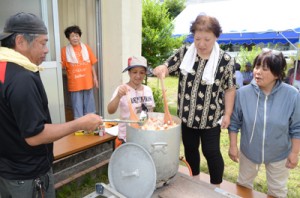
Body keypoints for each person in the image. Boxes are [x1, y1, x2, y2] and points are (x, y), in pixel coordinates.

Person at [0, 12, 102, 197]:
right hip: (29, 174)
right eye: (43, 43)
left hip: (7, 172)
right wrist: (80, 123)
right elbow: (35, 136)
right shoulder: (22, 78)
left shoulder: (4, 67)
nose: (47, 49)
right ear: (21, 41)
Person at [153, 14, 236, 185]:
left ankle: (216, 187)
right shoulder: (185, 52)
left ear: (216, 37)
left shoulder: (225, 60)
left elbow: (230, 89)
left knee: (211, 151)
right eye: (198, 39)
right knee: (190, 150)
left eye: (207, 39)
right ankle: (194, 181)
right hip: (187, 116)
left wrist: (227, 114)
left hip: (211, 118)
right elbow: (168, 66)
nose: (201, 44)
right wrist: (162, 68)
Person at [228, 49, 300, 197]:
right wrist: (233, 146)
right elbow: (234, 122)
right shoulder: (243, 93)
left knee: (277, 191)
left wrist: (294, 153)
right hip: (248, 151)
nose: (257, 72)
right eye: (257, 66)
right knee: (243, 186)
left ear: (277, 73)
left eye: (265, 69)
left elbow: (296, 127)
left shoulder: (292, 95)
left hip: (279, 153)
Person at [107, 56, 155, 148]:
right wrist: (118, 96)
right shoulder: (122, 89)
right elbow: (110, 110)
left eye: (142, 72)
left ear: (145, 73)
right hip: (126, 138)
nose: (138, 76)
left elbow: (151, 112)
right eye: (134, 72)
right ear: (129, 73)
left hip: (145, 136)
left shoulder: (148, 90)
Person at [61, 25, 99, 119]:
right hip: (75, 84)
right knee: (77, 106)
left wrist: (95, 78)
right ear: (68, 38)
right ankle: (79, 126)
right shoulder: (64, 50)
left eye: (77, 35)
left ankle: (91, 122)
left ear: (80, 36)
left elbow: (91, 64)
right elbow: (62, 66)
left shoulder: (86, 47)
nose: (75, 38)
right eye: (72, 36)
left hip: (87, 81)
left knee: (90, 105)